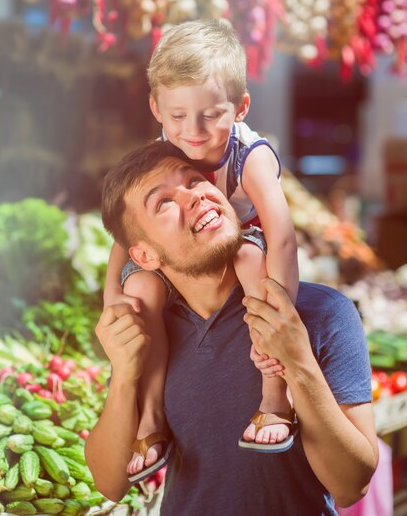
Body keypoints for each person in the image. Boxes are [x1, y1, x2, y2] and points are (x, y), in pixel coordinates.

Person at [85, 141, 378, 516]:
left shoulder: (323, 312)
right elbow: (109, 483)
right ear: (144, 256)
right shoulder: (152, 329)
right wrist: (125, 376)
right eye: (164, 202)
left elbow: (352, 485)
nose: (194, 197)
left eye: (193, 180)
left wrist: (298, 360)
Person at [103, 19, 299, 480]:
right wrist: (113, 297)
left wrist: (281, 309)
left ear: (241, 107)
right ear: (155, 107)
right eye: (177, 116)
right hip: (185, 257)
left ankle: (275, 396)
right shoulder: (163, 152)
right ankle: (151, 418)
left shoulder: (250, 155)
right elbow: (128, 239)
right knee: (145, 287)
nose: (193, 131)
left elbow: (283, 235)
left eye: (211, 114)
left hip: (240, 243)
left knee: (250, 257)